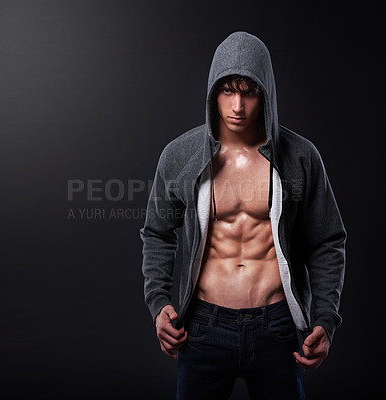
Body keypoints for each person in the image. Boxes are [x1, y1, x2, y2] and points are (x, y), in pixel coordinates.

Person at [140, 31, 346, 400]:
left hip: (278, 327)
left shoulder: (300, 157)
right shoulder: (180, 155)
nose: (237, 106)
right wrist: (159, 303)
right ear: (212, 93)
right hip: (203, 327)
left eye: (248, 91)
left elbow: (327, 241)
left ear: (265, 92)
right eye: (227, 90)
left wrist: (325, 320)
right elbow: (157, 232)